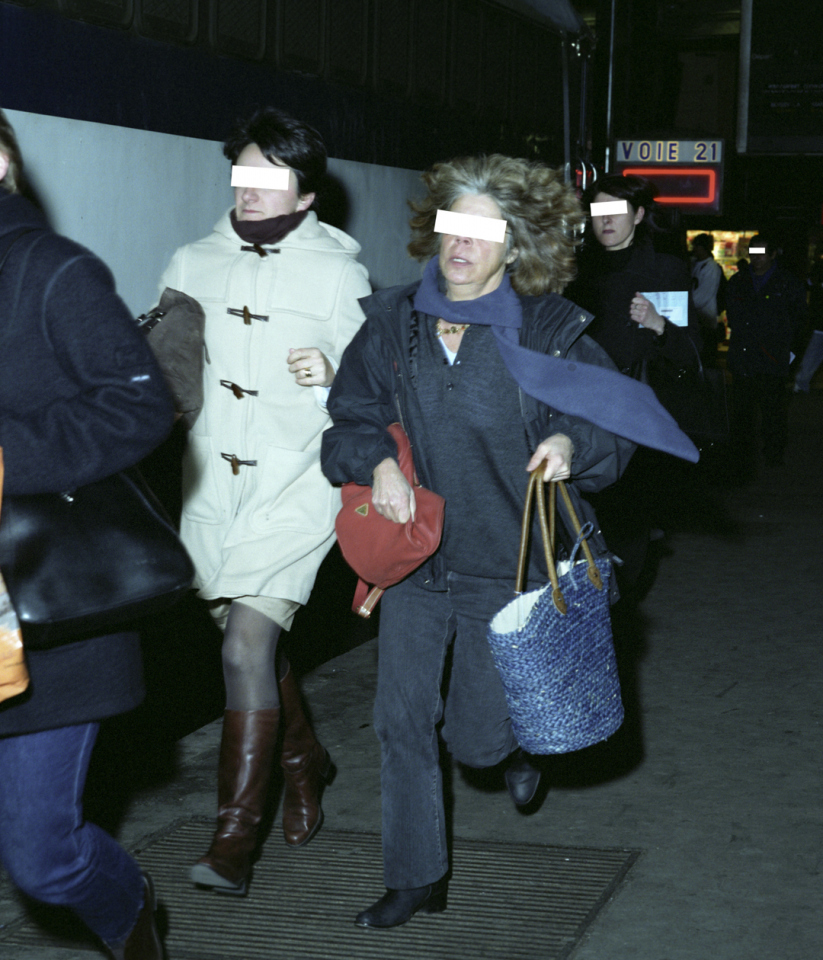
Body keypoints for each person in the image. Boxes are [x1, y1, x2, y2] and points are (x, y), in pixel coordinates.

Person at [321, 154, 635, 928]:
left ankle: (518, 746)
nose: (459, 243)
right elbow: (350, 416)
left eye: (481, 229)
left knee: (474, 741)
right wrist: (376, 462)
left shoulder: (551, 331)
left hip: (512, 570)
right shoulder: (395, 323)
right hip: (420, 565)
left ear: (515, 243)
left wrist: (567, 442)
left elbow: (612, 427)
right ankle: (415, 876)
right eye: (450, 225)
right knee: (399, 721)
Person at [156, 106, 371, 895]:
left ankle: (232, 843)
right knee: (252, 646)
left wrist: (332, 371)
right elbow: (168, 374)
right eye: (240, 173)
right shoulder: (190, 260)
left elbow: (371, 389)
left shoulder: (339, 272)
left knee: (245, 645)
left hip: (293, 482)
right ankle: (304, 757)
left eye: (268, 176)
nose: (248, 189)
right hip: (211, 483)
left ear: (306, 195)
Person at [0, 108, 174, 959]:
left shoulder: (50, 269)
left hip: (44, 607)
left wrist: (5, 454)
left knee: (43, 858)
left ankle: (132, 909)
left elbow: (139, 403)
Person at [566, 174, 703, 595]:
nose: (605, 222)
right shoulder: (572, 272)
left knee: (626, 529)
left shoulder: (663, 271)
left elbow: (691, 353)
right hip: (578, 415)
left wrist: (659, 324)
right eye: (597, 212)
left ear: (639, 214)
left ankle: (618, 608)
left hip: (635, 422)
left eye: (616, 212)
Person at [726, 233, 806, 472]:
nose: (757, 259)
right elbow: (733, 315)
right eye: (753, 253)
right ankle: (742, 457)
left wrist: (790, 355)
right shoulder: (739, 281)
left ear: (773, 254)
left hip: (773, 359)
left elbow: (800, 321)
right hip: (744, 357)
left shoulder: (787, 283)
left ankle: (773, 456)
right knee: (742, 413)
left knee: (773, 412)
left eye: (762, 254)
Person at [793, 257, 823, 393]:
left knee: (813, 353)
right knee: (813, 353)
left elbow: (809, 284)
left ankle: (801, 382)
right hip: (819, 323)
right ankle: (801, 382)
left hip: (819, 323)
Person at [690, 232, 724, 338]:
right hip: (698, 321)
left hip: (706, 322)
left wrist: (687, 304)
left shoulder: (711, 268)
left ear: (702, 247)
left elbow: (702, 296)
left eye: (696, 246)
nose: (693, 249)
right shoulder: (695, 264)